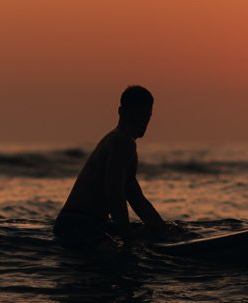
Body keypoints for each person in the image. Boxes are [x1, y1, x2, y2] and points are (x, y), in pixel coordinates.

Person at [54, 85, 171, 250]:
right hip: (77, 224)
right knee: (117, 256)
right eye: (138, 115)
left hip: (84, 223)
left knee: (147, 232)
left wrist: (161, 228)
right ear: (122, 112)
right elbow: (114, 193)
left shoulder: (120, 141)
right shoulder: (121, 142)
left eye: (147, 116)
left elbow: (135, 196)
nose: (143, 121)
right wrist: (129, 241)